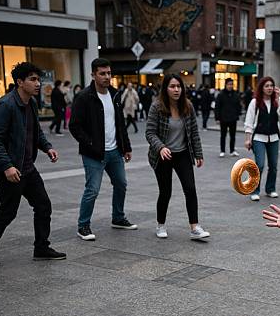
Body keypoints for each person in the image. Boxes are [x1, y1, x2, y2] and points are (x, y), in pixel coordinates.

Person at [0, 62, 66, 266]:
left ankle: (41, 247)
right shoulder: (5, 105)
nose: (38, 84)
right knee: (8, 211)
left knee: (43, 205)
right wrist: (7, 166)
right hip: (9, 169)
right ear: (19, 82)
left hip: (27, 167)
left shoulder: (31, 104)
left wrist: (47, 147)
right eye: (32, 79)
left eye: (38, 79)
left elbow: (35, 131)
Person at [70, 58, 137, 241]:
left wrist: (126, 147)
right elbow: (74, 126)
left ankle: (118, 217)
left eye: (109, 73)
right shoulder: (84, 97)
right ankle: (83, 225)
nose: (107, 77)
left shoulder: (115, 95)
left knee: (121, 183)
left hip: (115, 151)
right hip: (94, 153)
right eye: (102, 73)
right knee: (92, 189)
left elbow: (120, 123)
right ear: (93, 75)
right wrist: (90, 144)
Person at [145, 73, 210, 240]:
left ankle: (194, 227)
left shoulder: (187, 106)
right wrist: (160, 147)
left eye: (178, 86)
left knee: (190, 189)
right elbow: (150, 132)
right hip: (163, 155)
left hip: (182, 154)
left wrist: (198, 154)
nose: (176, 90)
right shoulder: (157, 107)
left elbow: (194, 133)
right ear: (165, 89)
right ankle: (160, 225)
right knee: (165, 191)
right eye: (172, 86)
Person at [244, 76, 280, 201]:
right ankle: (254, 190)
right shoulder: (255, 102)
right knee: (260, 164)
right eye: (267, 86)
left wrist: (279, 100)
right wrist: (248, 138)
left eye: (271, 86)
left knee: (273, 165)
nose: (269, 88)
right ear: (262, 88)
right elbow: (249, 121)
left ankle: (270, 189)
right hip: (258, 137)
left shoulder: (277, 101)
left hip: (274, 137)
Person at [214, 78, 241, 157]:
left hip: (233, 118)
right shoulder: (221, 94)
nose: (230, 86)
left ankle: (232, 150)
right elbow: (217, 107)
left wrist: (237, 114)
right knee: (223, 135)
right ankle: (222, 150)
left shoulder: (235, 94)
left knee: (233, 136)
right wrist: (217, 118)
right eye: (229, 84)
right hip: (223, 118)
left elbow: (238, 105)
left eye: (231, 84)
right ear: (225, 85)